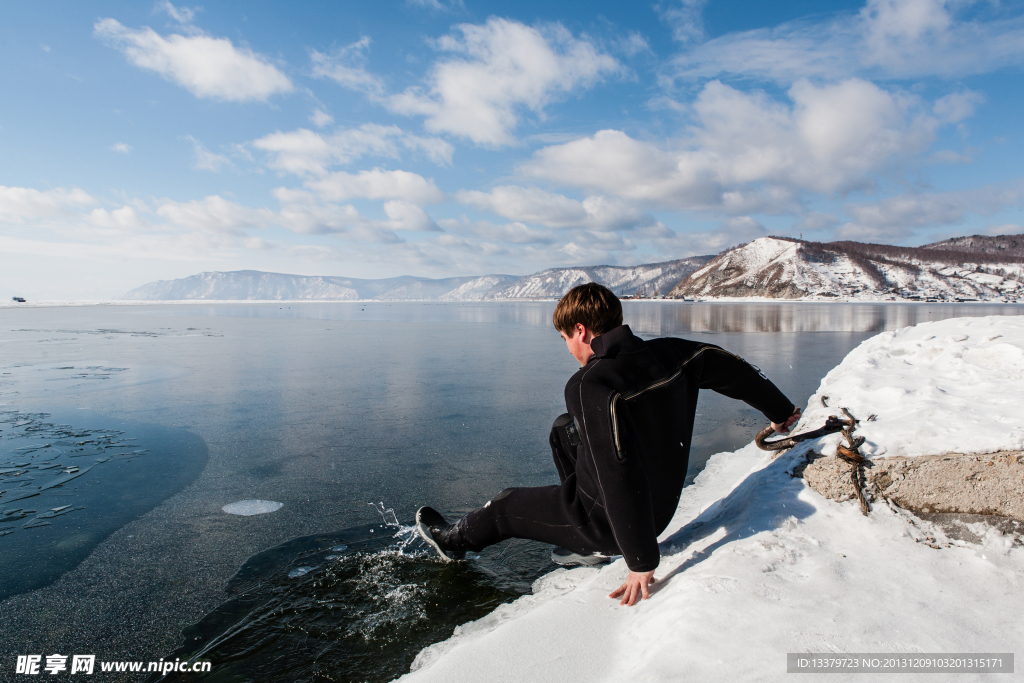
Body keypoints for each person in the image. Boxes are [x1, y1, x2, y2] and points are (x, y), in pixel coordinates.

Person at [416, 283, 801, 607]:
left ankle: (454, 542)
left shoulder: (590, 385)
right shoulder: (671, 352)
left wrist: (640, 558)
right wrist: (781, 410)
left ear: (580, 331)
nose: (567, 348)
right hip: (661, 505)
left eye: (565, 338)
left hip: (614, 524)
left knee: (504, 505)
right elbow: (734, 368)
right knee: (564, 429)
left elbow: (617, 469)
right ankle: (580, 525)